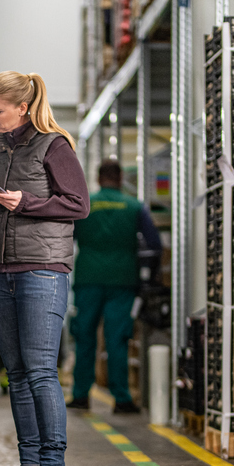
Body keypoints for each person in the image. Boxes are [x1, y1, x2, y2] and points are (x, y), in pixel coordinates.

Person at [0, 71, 90, 466]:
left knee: (40, 371)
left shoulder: (54, 145)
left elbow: (79, 204)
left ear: (22, 107)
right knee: (16, 374)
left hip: (42, 270)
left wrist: (27, 202)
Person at [68, 159, 164, 414]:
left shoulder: (84, 206)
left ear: (98, 179)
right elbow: (154, 243)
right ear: (120, 178)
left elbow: (68, 239)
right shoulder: (135, 207)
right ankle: (121, 398)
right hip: (123, 280)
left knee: (84, 337)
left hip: (88, 278)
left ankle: (80, 395)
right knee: (117, 339)